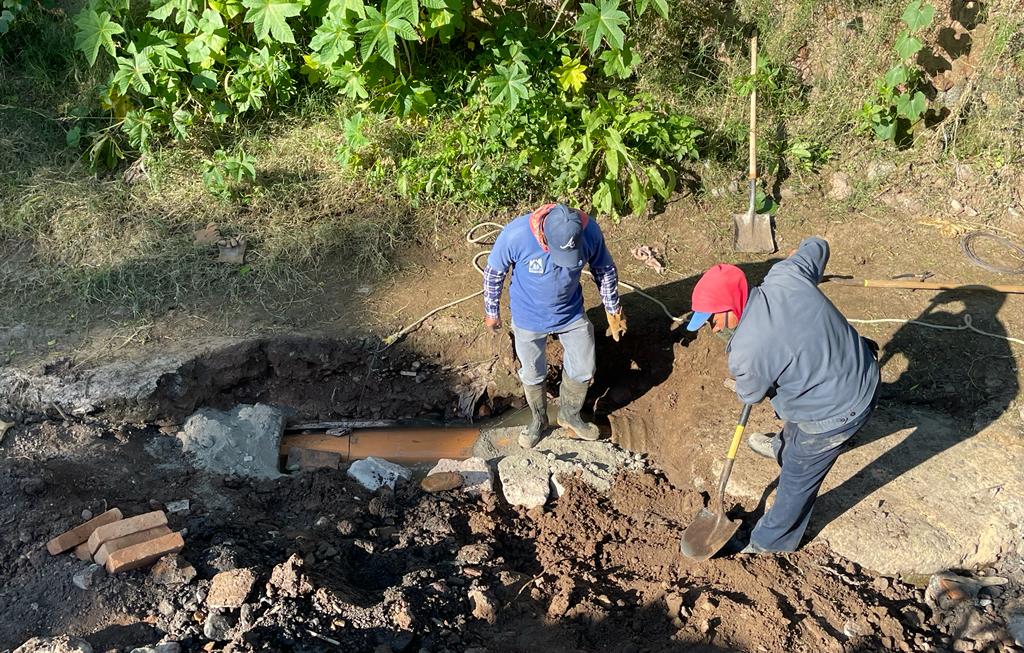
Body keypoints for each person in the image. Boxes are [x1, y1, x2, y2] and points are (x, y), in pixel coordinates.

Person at [687, 237, 880, 553]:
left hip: (841, 407)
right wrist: (797, 253)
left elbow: (750, 394)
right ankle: (782, 447)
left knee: (796, 481)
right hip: (859, 367)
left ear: (732, 307)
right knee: (794, 419)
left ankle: (771, 542)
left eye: (712, 319)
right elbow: (818, 246)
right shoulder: (785, 275)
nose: (711, 328)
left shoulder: (748, 350)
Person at [483, 203, 627, 448]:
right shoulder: (516, 235)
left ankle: (569, 415)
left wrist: (613, 310)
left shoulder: (589, 231)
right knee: (532, 371)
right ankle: (538, 421)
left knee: (584, 366)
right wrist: (491, 311)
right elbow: (494, 272)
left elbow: (604, 270)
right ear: (544, 236)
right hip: (528, 316)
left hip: (570, 313)